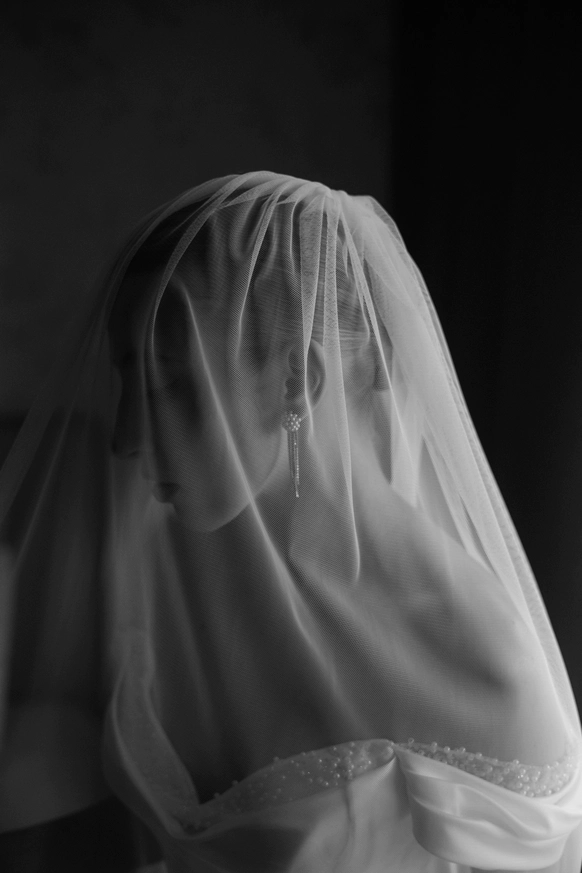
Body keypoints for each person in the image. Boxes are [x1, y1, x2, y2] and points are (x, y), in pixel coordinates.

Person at [1, 171, 581, 872]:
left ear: (295, 381)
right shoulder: (163, 562)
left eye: (170, 383)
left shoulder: (487, 670)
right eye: (127, 380)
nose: (125, 437)